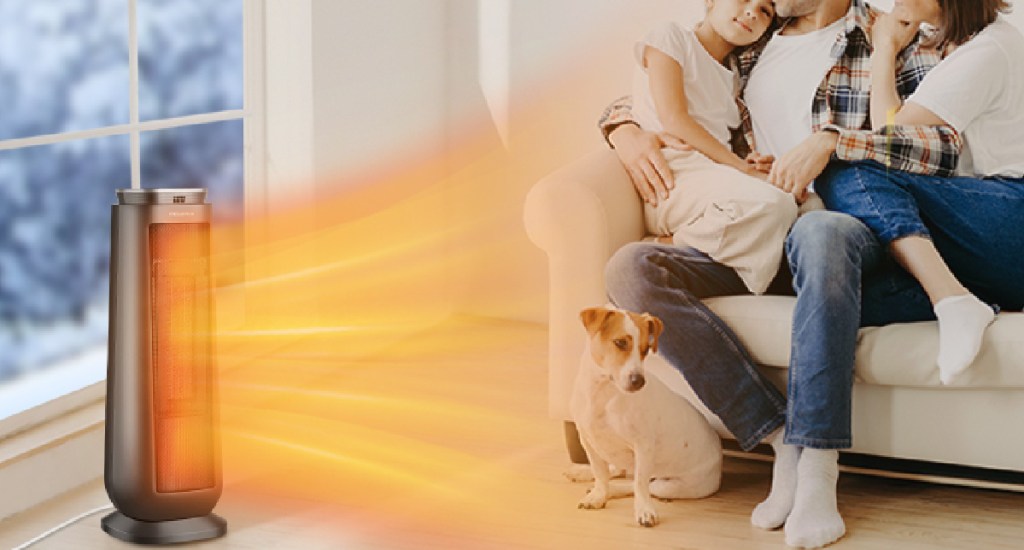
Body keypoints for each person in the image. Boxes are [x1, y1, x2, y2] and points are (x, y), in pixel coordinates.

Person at [599, 0, 962, 547]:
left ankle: (817, 470)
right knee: (633, 268)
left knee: (817, 233)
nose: (757, 7)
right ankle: (777, 437)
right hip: (751, 225)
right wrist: (620, 127)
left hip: (836, 226)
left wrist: (833, 143)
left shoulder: (890, 37)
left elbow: (944, 145)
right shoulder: (753, 41)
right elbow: (670, 84)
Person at [813, 0, 1024, 385]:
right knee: (843, 294)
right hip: (991, 239)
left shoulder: (988, 49)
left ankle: (951, 299)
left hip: (1011, 216)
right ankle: (965, 301)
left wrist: (884, 47)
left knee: (846, 161)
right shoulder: (959, 47)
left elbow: (887, 133)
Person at [630, 0, 797, 294]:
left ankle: (726, 267)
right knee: (776, 205)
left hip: (711, 175)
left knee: (806, 203)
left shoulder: (734, 76)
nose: (752, 13)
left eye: (765, 11)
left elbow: (721, 136)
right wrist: (740, 167)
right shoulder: (671, 37)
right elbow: (674, 119)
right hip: (670, 173)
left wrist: (752, 162)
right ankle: (668, 246)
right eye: (745, 0)